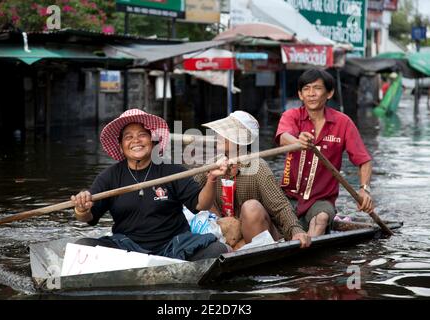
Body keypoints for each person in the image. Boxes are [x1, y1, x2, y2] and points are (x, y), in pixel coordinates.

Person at [71, 109, 229, 261]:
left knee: (217, 250)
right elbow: (88, 217)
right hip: (127, 248)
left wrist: (212, 179)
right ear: (120, 146)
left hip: (174, 245)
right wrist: (81, 208)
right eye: (128, 137)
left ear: (153, 142)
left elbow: (202, 203)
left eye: (142, 135)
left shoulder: (172, 170)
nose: (136, 141)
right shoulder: (109, 177)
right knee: (83, 246)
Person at [275, 68, 374, 237]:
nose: (311, 94)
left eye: (317, 88)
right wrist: (298, 142)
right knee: (269, 218)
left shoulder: (343, 123)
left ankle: (307, 253)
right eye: (306, 89)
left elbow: (364, 160)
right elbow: (284, 137)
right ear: (300, 95)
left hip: (321, 200)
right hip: (288, 196)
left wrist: (364, 189)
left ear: (329, 93)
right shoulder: (291, 116)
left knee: (321, 218)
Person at [195, 111, 311, 249]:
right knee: (201, 196)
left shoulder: (258, 167)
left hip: (256, 234)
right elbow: (187, 190)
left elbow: (280, 207)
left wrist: (296, 231)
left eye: (224, 133)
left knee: (251, 208)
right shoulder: (213, 164)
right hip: (228, 233)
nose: (217, 136)